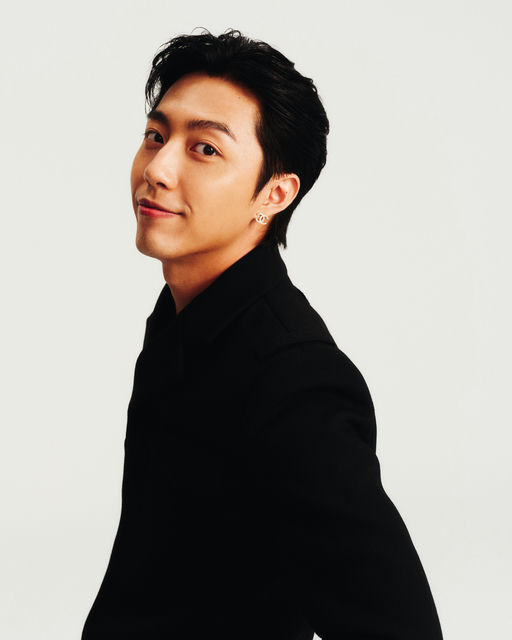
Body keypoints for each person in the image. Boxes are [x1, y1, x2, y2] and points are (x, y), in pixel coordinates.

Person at [81, 29, 444, 640]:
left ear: (274, 194)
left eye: (205, 149)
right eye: (156, 136)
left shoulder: (294, 381)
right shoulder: (182, 317)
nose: (157, 169)